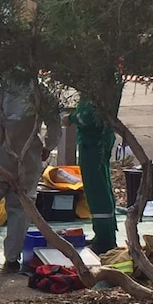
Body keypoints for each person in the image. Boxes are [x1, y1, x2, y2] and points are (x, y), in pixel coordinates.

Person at [0, 71, 62, 272]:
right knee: (20, 209)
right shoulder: (39, 87)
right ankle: (11, 260)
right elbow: (54, 121)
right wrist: (48, 146)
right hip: (27, 157)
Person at [66, 94, 121, 254]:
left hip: (93, 143)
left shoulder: (99, 81)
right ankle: (105, 234)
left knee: (97, 190)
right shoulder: (105, 77)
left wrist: (72, 118)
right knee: (100, 187)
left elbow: (89, 117)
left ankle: (105, 239)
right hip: (95, 141)